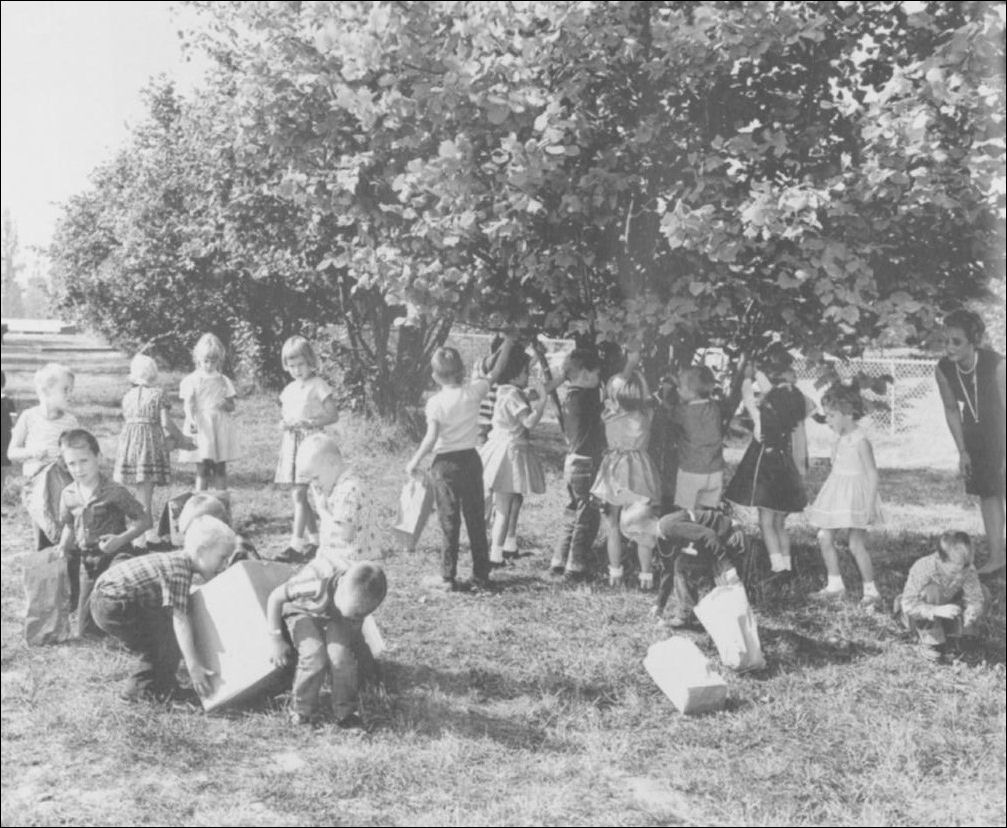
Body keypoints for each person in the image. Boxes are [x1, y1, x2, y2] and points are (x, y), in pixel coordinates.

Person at [405, 337, 516, 592]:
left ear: (435, 376)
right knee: (476, 519)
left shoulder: (435, 403)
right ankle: (481, 575)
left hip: (445, 465)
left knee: (449, 521)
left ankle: (448, 577)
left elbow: (431, 438)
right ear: (463, 371)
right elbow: (497, 371)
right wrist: (507, 345)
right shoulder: (474, 391)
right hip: (471, 460)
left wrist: (414, 461)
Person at [90, 515, 236, 702]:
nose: (224, 565)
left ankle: (164, 686)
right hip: (115, 604)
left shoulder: (176, 560)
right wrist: (193, 666)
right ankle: (136, 692)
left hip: (105, 598)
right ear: (201, 551)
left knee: (165, 635)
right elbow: (180, 620)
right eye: (222, 557)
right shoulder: (180, 570)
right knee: (162, 641)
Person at [267, 559, 387, 727]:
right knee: (314, 654)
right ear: (341, 585)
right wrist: (276, 639)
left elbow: (354, 633)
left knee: (341, 657)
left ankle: (346, 712)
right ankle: (301, 710)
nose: (354, 619)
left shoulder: (361, 592)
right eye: (352, 616)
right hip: (303, 611)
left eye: (355, 617)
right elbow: (275, 598)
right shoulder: (314, 582)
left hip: (332, 616)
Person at [56, 429, 152, 636]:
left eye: (84, 461)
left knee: (119, 603)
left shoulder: (114, 491)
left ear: (97, 457)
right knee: (86, 632)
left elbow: (144, 520)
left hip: (116, 556)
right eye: (72, 464)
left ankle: (135, 625)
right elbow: (70, 525)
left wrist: (120, 539)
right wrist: (64, 545)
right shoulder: (68, 494)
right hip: (88, 561)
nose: (78, 469)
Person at [724, 355, 807, 582]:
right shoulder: (789, 420)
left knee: (766, 521)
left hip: (767, 475)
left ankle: (777, 567)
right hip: (785, 471)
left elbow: (749, 397)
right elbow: (774, 393)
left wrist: (749, 375)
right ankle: (788, 566)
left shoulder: (762, 422)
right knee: (780, 522)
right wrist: (758, 373)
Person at [935, 309, 1005, 575]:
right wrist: (963, 451)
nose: (949, 347)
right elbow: (952, 409)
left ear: (973, 341)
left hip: (1002, 427)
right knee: (988, 492)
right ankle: (998, 557)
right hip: (976, 433)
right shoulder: (943, 369)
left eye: (956, 341)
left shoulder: (997, 364)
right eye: (946, 341)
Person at [805, 382, 884, 607]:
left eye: (831, 416)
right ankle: (835, 584)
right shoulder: (838, 438)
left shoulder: (861, 440)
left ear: (847, 414)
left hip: (857, 496)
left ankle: (871, 590)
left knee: (855, 544)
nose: (827, 420)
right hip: (837, 493)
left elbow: (872, 474)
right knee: (824, 536)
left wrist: (869, 506)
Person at [590, 350, 661, 589]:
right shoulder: (647, 415)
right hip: (641, 470)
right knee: (642, 527)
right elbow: (648, 399)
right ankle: (646, 577)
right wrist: (636, 372)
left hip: (615, 471)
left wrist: (628, 365)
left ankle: (615, 574)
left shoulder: (609, 414)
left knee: (612, 524)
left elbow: (617, 392)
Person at [620, 502, 744, 628]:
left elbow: (709, 535)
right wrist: (660, 604)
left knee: (688, 567)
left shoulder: (668, 526)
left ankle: (692, 617)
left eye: (635, 540)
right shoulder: (663, 539)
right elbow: (668, 571)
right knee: (682, 564)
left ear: (639, 533)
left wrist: (727, 567)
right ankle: (689, 616)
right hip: (717, 541)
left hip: (730, 536)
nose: (639, 544)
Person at [479, 346, 550, 566]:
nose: (528, 376)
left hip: (495, 449)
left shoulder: (504, 391)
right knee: (504, 507)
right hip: (509, 453)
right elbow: (529, 421)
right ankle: (496, 554)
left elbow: (529, 393)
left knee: (496, 503)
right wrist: (543, 401)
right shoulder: (514, 395)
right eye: (525, 372)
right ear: (515, 374)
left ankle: (490, 549)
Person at [274, 336, 340, 561]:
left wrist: (310, 422)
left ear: (310, 361)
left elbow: (333, 414)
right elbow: (285, 415)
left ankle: (295, 544)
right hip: (293, 444)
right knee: (300, 494)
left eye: (301, 364)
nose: (297, 370)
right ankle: (315, 541)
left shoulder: (318, 385)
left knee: (301, 494)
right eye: (291, 366)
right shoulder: (289, 389)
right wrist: (284, 423)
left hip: (311, 444)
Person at [7, 363, 79, 550]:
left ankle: (68, 575)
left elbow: (80, 452)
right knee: (43, 539)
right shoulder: (29, 417)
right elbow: (12, 452)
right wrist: (32, 453)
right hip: (38, 490)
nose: (70, 395)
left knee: (68, 536)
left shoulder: (70, 421)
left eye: (71, 390)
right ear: (46, 391)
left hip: (64, 486)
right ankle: (45, 575)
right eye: (65, 390)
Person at [550, 348, 606, 581]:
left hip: (571, 463)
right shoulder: (587, 397)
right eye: (596, 376)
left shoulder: (569, 397)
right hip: (586, 464)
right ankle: (576, 565)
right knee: (587, 516)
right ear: (584, 374)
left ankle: (559, 559)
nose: (598, 381)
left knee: (572, 513)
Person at [893, 531, 988, 660]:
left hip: (948, 607)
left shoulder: (967, 568)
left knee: (983, 591)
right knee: (932, 591)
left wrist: (972, 610)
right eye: (954, 567)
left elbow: (975, 596)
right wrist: (936, 610)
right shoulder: (924, 567)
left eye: (964, 565)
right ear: (940, 558)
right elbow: (908, 603)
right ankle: (931, 639)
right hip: (920, 612)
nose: (960, 570)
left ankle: (964, 635)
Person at [113, 353, 173, 550]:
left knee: (141, 489)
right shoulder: (158, 394)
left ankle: (147, 532)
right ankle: (142, 536)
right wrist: (179, 439)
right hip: (149, 444)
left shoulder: (128, 396)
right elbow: (165, 422)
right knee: (146, 490)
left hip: (130, 444)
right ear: (154, 374)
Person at [296, 433, 379, 564]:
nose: (314, 485)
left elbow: (344, 535)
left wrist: (322, 510)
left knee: (294, 584)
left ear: (332, 463)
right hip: (355, 561)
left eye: (316, 478)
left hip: (347, 563)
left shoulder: (347, 491)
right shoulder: (348, 484)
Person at [179, 333, 239, 491]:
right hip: (202, 425)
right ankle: (200, 501)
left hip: (219, 425)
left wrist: (225, 404)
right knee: (202, 467)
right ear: (198, 359)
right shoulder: (192, 380)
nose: (209, 365)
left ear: (219, 360)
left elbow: (232, 405)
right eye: (206, 361)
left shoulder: (223, 380)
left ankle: (222, 503)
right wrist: (191, 420)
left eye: (213, 361)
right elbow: (188, 403)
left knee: (220, 466)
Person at [670, 366, 726, 511]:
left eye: (680, 387)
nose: (677, 390)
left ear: (691, 392)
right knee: (704, 512)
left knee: (686, 513)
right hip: (714, 470)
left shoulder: (682, 412)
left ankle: (690, 533)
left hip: (691, 470)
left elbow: (670, 415)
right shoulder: (714, 408)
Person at [1, 370, 14, 498]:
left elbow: (13, 422)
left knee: (3, 465)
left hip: (4, 439)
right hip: (5, 438)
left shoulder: (8, 402)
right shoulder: (8, 402)